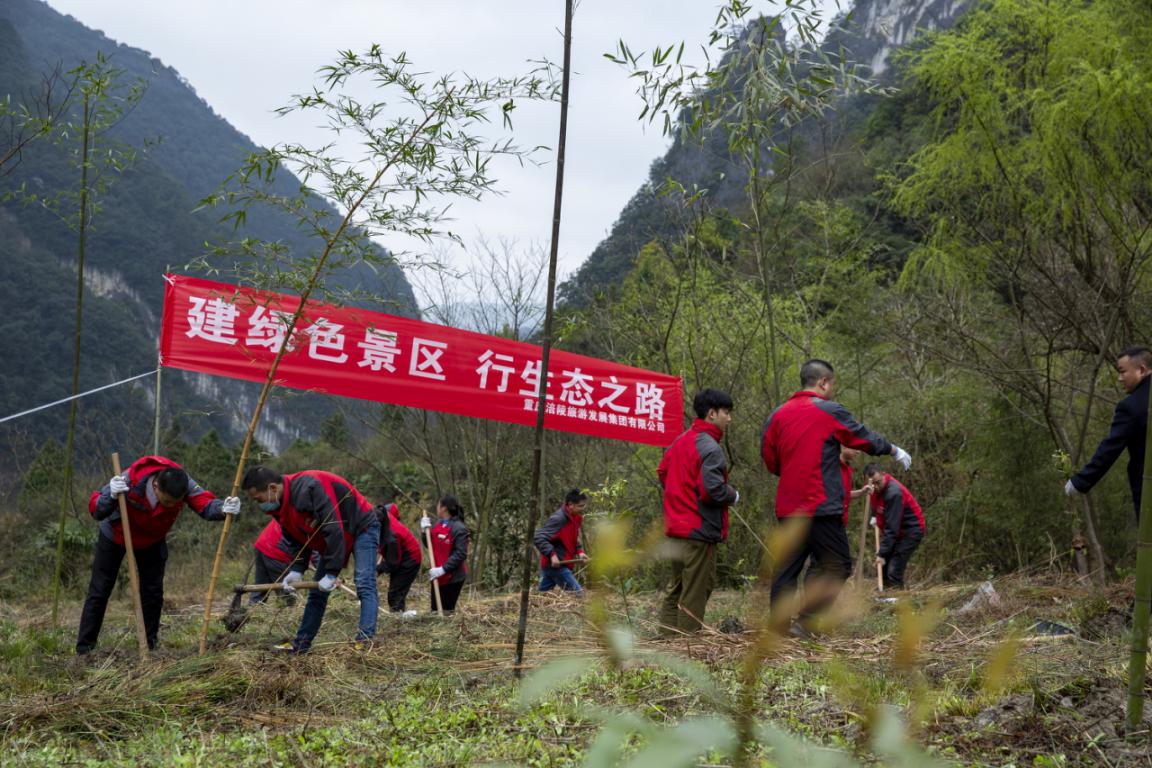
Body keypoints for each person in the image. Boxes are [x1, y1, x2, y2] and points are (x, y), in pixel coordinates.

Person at [761, 359, 910, 635]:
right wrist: (892, 449)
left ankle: (777, 631)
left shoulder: (776, 415)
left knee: (786, 571)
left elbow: (771, 462)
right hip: (820, 507)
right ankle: (806, 623)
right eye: (832, 385)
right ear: (823, 383)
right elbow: (860, 437)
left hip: (789, 507)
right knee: (838, 564)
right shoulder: (828, 410)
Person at [77, 455, 239, 654]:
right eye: (166, 501)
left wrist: (224, 508)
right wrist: (110, 495)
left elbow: (205, 504)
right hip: (116, 534)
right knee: (100, 589)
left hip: (152, 539)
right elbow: (96, 509)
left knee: (152, 593)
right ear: (155, 486)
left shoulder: (183, 483)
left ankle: (149, 645)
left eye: (174, 503)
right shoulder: (129, 479)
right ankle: (84, 650)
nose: (169, 506)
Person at [241, 466, 380, 653]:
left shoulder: (309, 488)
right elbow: (297, 538)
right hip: (334, 536)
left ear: (272, 488)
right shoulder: (279, 507)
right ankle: (301, 645)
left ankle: (364, 641)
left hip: (360, 525)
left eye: (258, 499)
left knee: (364, 583)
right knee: (317, 594)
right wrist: (297, 569)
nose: (258, 504)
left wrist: (331, 573)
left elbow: (334, 529)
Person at [657, 388, 739, 635]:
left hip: (675, 528)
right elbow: (712, 490)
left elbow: (663, 472)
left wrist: (679, 497)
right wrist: (733, 495)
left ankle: (667, 637)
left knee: (678, 586)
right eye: (726, 412)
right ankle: (687, 646)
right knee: (696, 588)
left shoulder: (679, 441)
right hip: (697, 530)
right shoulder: (711, 448)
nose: (729, 418)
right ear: (712, 414)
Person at [1067, 346, 1152, 520]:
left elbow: (1110, 448)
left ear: (1141, 370)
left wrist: (1080, 482)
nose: (1120, 379)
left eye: (1122, 372)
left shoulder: (1132, 406)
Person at [864, 463, 925, 589]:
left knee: (894, 569)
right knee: (884, 567)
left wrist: (881, 554)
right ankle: (885, 597)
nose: (875, 486)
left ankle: (898, 601)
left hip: (910, 531)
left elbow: (892, 528)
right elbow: (876, 504)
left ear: (883, 475)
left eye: (878, 482)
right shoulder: (874, 489)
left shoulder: (894, 493)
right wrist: (874, 516)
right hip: (895, 530)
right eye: (872, 484)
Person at [534, 489, 590, 594]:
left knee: (541, 596)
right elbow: (539, 537)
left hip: (554, 565)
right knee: (578, 595)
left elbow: (571, 538)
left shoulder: (576, 518)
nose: (583, 508)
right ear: (570, 505)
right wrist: (552, 554)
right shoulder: (559, 519)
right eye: (580, 506)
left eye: (584, 505)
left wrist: (580, 552)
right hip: (557, 566)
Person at [422, 495, 469, 613]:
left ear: (443, 508)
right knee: (435, 611)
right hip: (437, 575)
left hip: (453, 577)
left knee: (446, 612)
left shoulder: (459, 528)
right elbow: (430, 545)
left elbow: (460, 554)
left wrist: (443, 569)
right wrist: (424, 532)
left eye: (438, 505)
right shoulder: (438, 524)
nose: (437, 507)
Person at [376, 502, 421, 615]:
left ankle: (398, 620)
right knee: (395, 591)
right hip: (401, 557)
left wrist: (378, 569)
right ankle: (399, 615)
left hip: (410, 560)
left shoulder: (392, 537)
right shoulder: (381, 518)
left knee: (395, 594)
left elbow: (393, 563)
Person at [250, 518, 299, 605]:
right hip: (276, 550)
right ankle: (287, 615)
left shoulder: (295, 507)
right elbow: (314, 550)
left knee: (261, 587)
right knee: (287, 593)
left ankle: (252, 610)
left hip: (263, 544)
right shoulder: (312, 515)